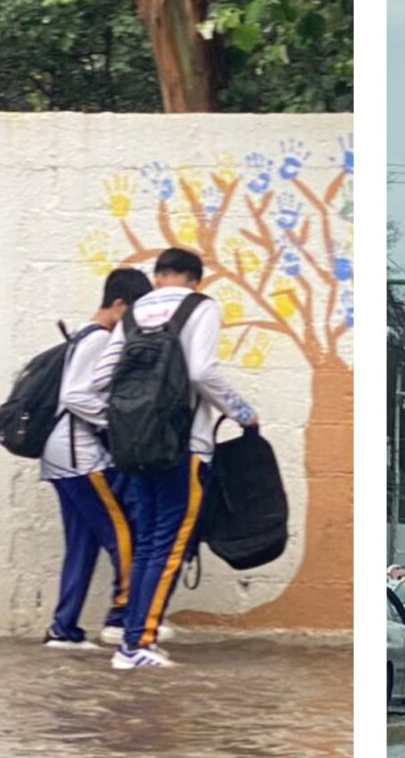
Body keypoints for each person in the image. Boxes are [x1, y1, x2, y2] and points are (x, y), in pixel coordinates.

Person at [73, 247, 259, 671]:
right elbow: (201, 372)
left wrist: (128, 418)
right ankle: (135, 645)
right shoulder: (201, 307)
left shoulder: (134, 311)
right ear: (196, 279)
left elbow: (102, 378)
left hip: (136, 447)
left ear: (158, 276)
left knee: (146, 546)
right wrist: (243, 413)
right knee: (169, 545)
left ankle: (136, 637)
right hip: (185, 446)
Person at [39, 268, 148, 650]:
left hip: (61, 456)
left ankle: (63, 629)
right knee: (124, 535)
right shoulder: (101, 339)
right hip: (79, 458)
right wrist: (117, 422)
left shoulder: (84, 335)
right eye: (134, 312)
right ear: (118, 305)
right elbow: (74, 395)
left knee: (82, 543)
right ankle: (121, 618)